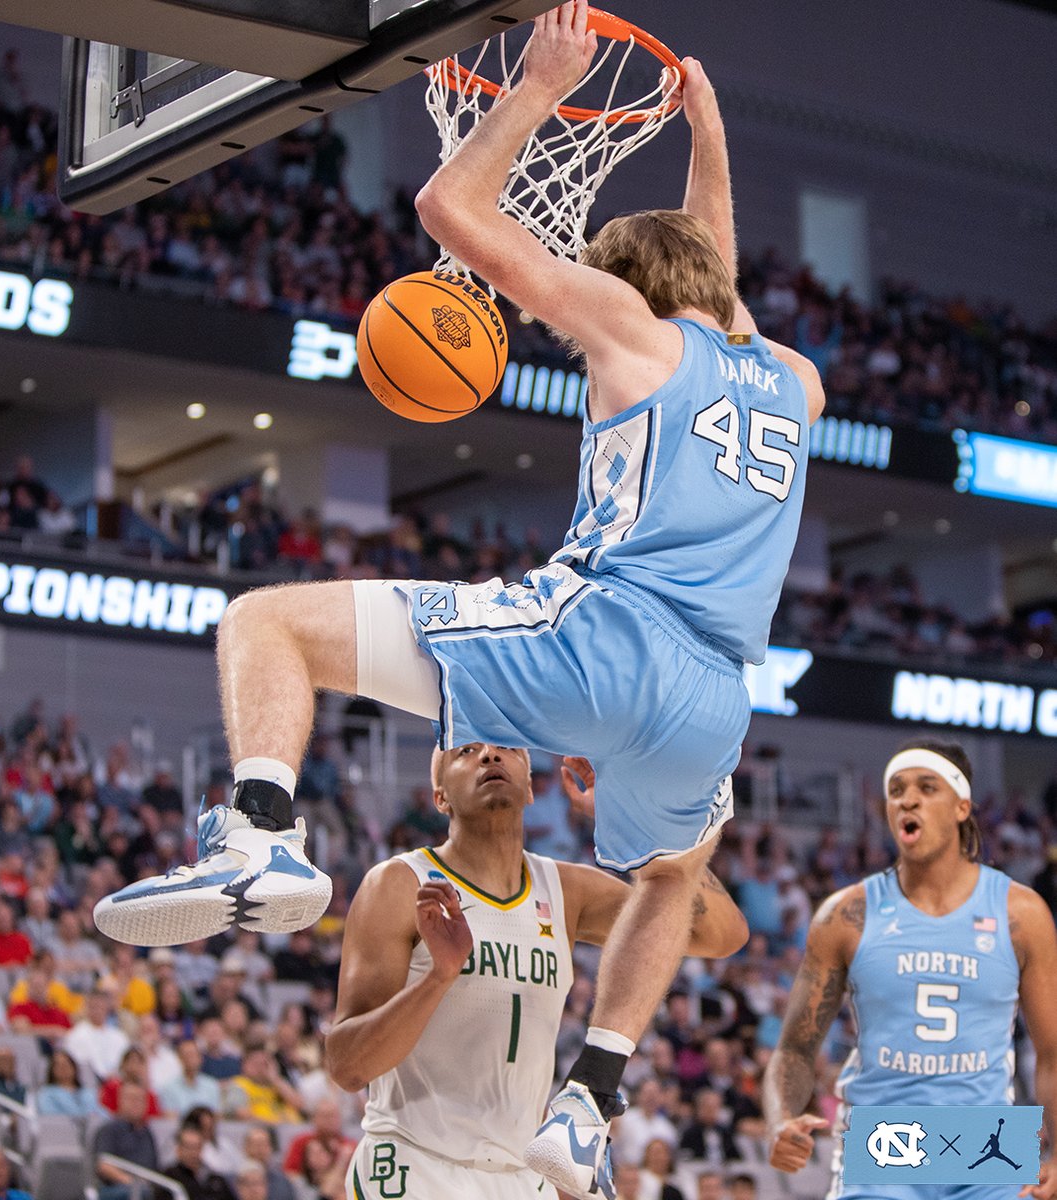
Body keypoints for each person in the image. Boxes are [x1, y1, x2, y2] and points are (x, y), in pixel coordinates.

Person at [96, 5, 820, 1193]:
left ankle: (260, 833)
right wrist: (707, 139)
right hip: (708, 696)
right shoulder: (788, 382)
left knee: (265, 622)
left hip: (597, 634)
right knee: (672, 875)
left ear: (627, 281)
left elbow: (449, 214)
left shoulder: (628, 328)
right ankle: (592, 1095)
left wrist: (533, 90)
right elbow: (724, 282)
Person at [324, 745, 746, 1199]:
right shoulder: (399, 883)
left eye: (506, 747)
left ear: (530, 787)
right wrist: (438, 977)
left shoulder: (567, 889)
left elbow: (721, 934)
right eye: (466, 751)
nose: (489, 756)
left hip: (523, 1177)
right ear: (440, 796)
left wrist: (635, 821)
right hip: (415, 1162)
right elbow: (348, 1067)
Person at [763, 739, 1057, 1200]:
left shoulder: (1021, 912)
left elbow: (1053, 1052)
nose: (907, 799)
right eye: (896, 789)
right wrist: (781, 1119)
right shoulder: (846, 915)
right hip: (885, 1140)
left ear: (962, 806)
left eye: (926, 787)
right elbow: (795, 1049)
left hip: (990, 1138)